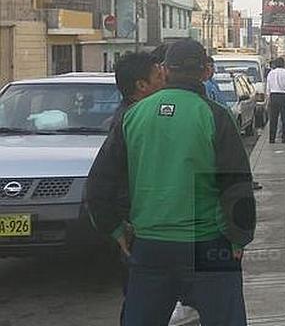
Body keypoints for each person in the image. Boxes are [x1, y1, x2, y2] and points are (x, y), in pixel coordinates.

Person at [86, 39, 256, 325]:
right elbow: (236, 185)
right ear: (204, 72)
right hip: (209, 244)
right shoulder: (216, 115)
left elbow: (98, 185)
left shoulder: (133, 115)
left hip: (150, 246)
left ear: (165, 70)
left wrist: (115, 229)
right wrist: (239, 237)